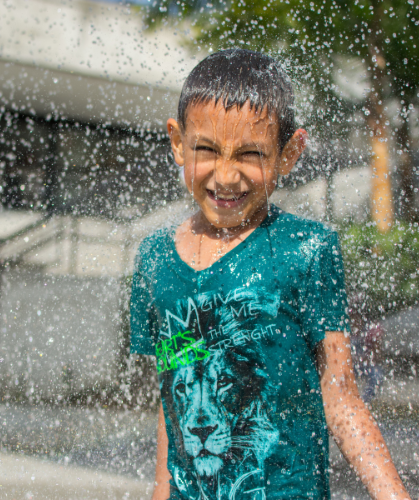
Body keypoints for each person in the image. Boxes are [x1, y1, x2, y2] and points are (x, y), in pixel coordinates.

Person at [129, 50, 411, 500]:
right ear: (177, 142)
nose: (225, 176)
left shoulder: (307, 250)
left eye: (250, 154)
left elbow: (341, 400)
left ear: (289, 153)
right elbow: (172, 403)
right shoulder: (155, 259)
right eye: (206, 150)